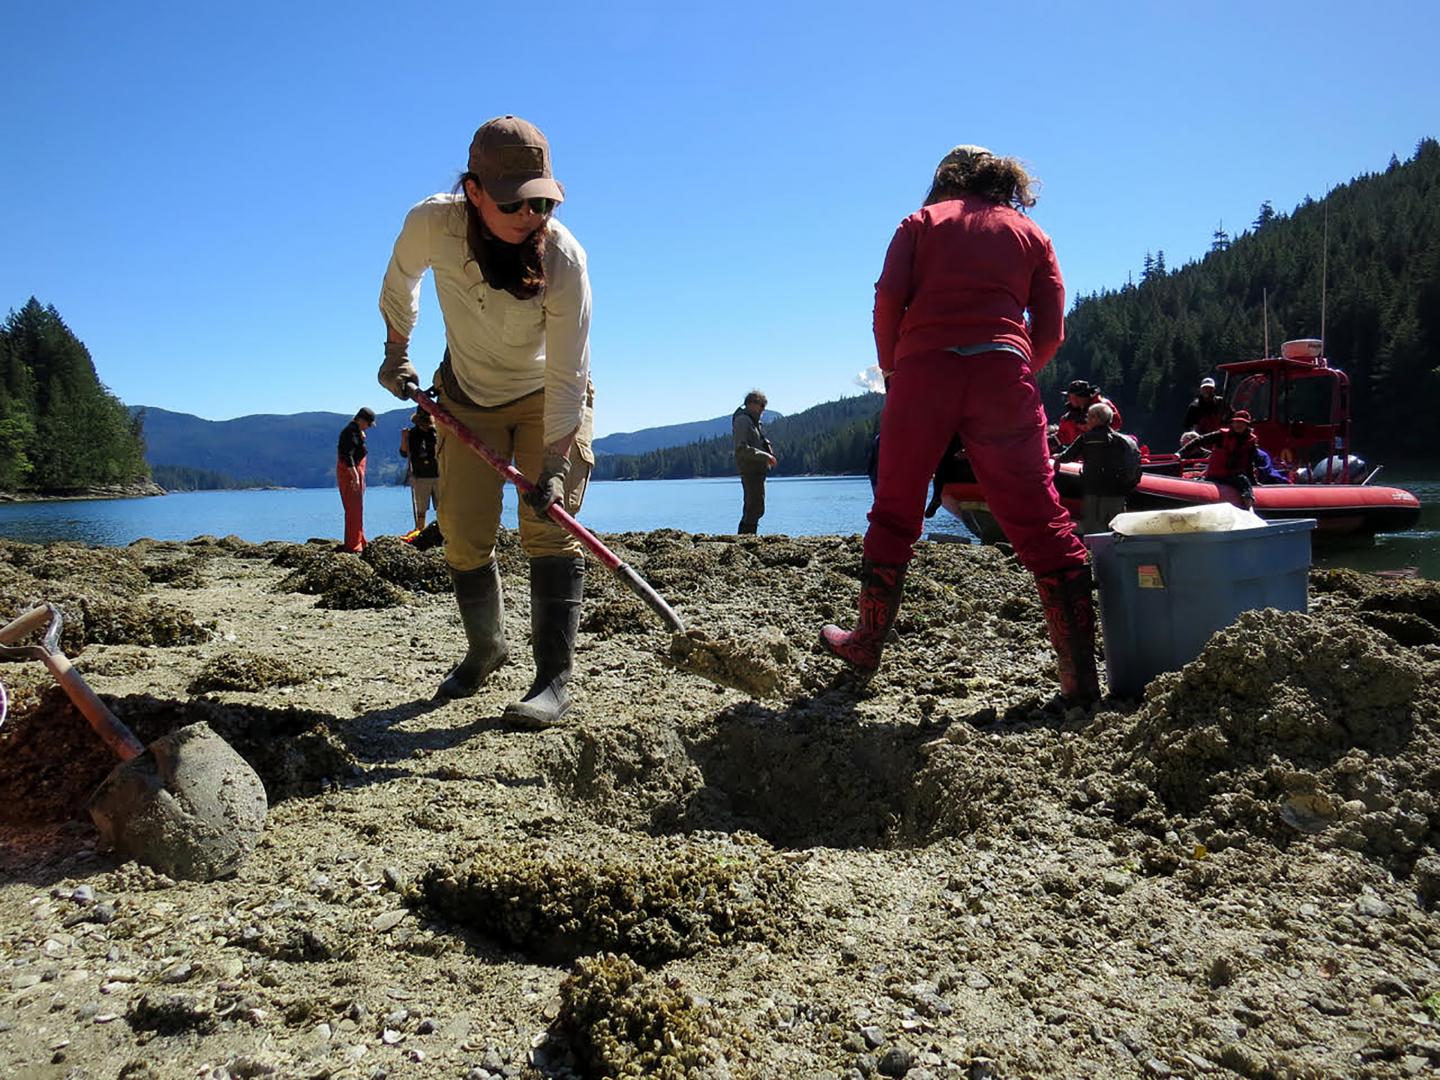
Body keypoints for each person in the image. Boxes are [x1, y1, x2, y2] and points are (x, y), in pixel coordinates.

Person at [821, 144, 1100, 707]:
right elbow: (1051, 330)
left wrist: (896, 371)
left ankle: (867, 644)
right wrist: (1013, 363)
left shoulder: (920, 223)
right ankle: (1080, 680)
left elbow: (887, 305)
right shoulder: (1031, 234)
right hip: (1003, 374)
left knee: (895, 510)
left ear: (946, 179)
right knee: (1043, 520)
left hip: (922, 374)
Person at [377, 115, 594, 728]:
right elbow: (400, 282)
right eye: (515, 205)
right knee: (465, 534)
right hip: (467, 396)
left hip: (547, 399)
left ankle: (552, 680)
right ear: (473, 192)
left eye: (543, 202)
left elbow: (570, 374)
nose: (533, 217)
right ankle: (486, 649)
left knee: (547, 527)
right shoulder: (433, 224)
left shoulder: (565, 259)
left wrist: (552, 464)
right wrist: (398, 352)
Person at [1054, 402, 1137, 534]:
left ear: (1096, 419)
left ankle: (1097, 554)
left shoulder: (1085, 439)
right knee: (1117, 530)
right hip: (1116, 493)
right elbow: (1135, 466)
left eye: (1089, 417)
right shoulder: (1125, 441)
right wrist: (1126, 486)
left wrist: (1056, 457)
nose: (1087, 420)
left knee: (1093, 531)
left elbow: (1067, 457)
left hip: (1092, 492)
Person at [1182, 409, 1260, 508]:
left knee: (1244, 483)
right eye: (1236, 422)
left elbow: (1249, 464)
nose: (1238, 425)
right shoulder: (1220, 435)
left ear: (1247, 426)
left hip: (1233, 476)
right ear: (1232, 423)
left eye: (1242, 423)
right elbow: (1199, 441)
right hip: (1215, 474)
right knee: (1202, 480)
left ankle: (1249, 509)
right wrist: (1181, 453)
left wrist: (1254, 482)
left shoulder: (1251, 442)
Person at [732, 390, 776, 533]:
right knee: (753, 508)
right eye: (761, 405)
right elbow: (741, 448)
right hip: (750, 470)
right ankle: (745, 541)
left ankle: (747, 539)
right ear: (751, 404)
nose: (763, 409)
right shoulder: (743, 421)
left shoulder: (753, 421)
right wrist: (765, 456)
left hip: (756, 470)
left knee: (756, 507)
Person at [336, 407, 375, 553]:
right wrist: (355, 477)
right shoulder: (350, 432)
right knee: (353, 509)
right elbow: (348, 456)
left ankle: (359, 539)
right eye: (368, 424)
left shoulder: (356, 431)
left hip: (355, 471)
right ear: (361, 420)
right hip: (350, 472)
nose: (369, 427)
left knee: (357, 509)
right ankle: (353, 544)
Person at [400, 409, 441, 532]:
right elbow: (403, 453)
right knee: (421, 510)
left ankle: (442, 531)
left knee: (442, 508)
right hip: (420, 476)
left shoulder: (436, 432)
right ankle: (420, 531)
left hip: (439, 475)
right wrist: (404, 438)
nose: (426, 426)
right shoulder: (412, 434)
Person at [1054, 379, 1122, 447]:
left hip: (1102, 449)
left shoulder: (1103, 406)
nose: (1068, 399)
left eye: (1070, 396)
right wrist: (1052, 441)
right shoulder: (1069, 416)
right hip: (1080, 453)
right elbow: (1063, 436)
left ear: (1079, 397)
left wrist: (1091, 427)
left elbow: (1117, 423)